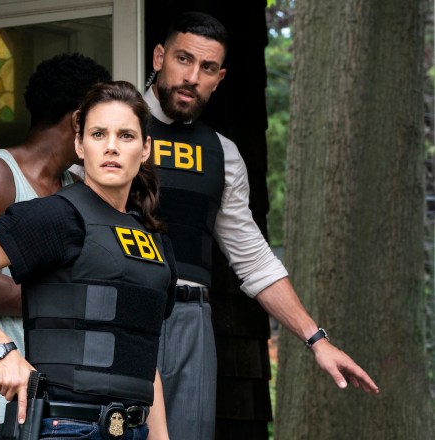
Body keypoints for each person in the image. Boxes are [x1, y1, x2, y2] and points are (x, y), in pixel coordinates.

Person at [145, 11, 380, 439]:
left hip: (190, 320)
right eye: (183, 59)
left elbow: (253, 259)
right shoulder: (112, 127)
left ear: (219, 78)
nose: (192, 77)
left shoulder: (222, 154)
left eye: (207, 68)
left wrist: (316, 340)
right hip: (120, 309)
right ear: (160, 57)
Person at [0, 81, 176, 440]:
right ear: (79, 145)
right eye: (98, 134)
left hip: (131, 427)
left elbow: (143, 354)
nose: (112, 146)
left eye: (126, 136)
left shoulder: (153, 240)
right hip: (66, 427)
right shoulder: (57, 216)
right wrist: (1, 350)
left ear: (145, 148)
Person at [0, 53, 111, 440]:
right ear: (78, 120)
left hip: (40, 387)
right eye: (99, 125)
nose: (106, 139)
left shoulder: (73, 187)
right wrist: (67, 296)